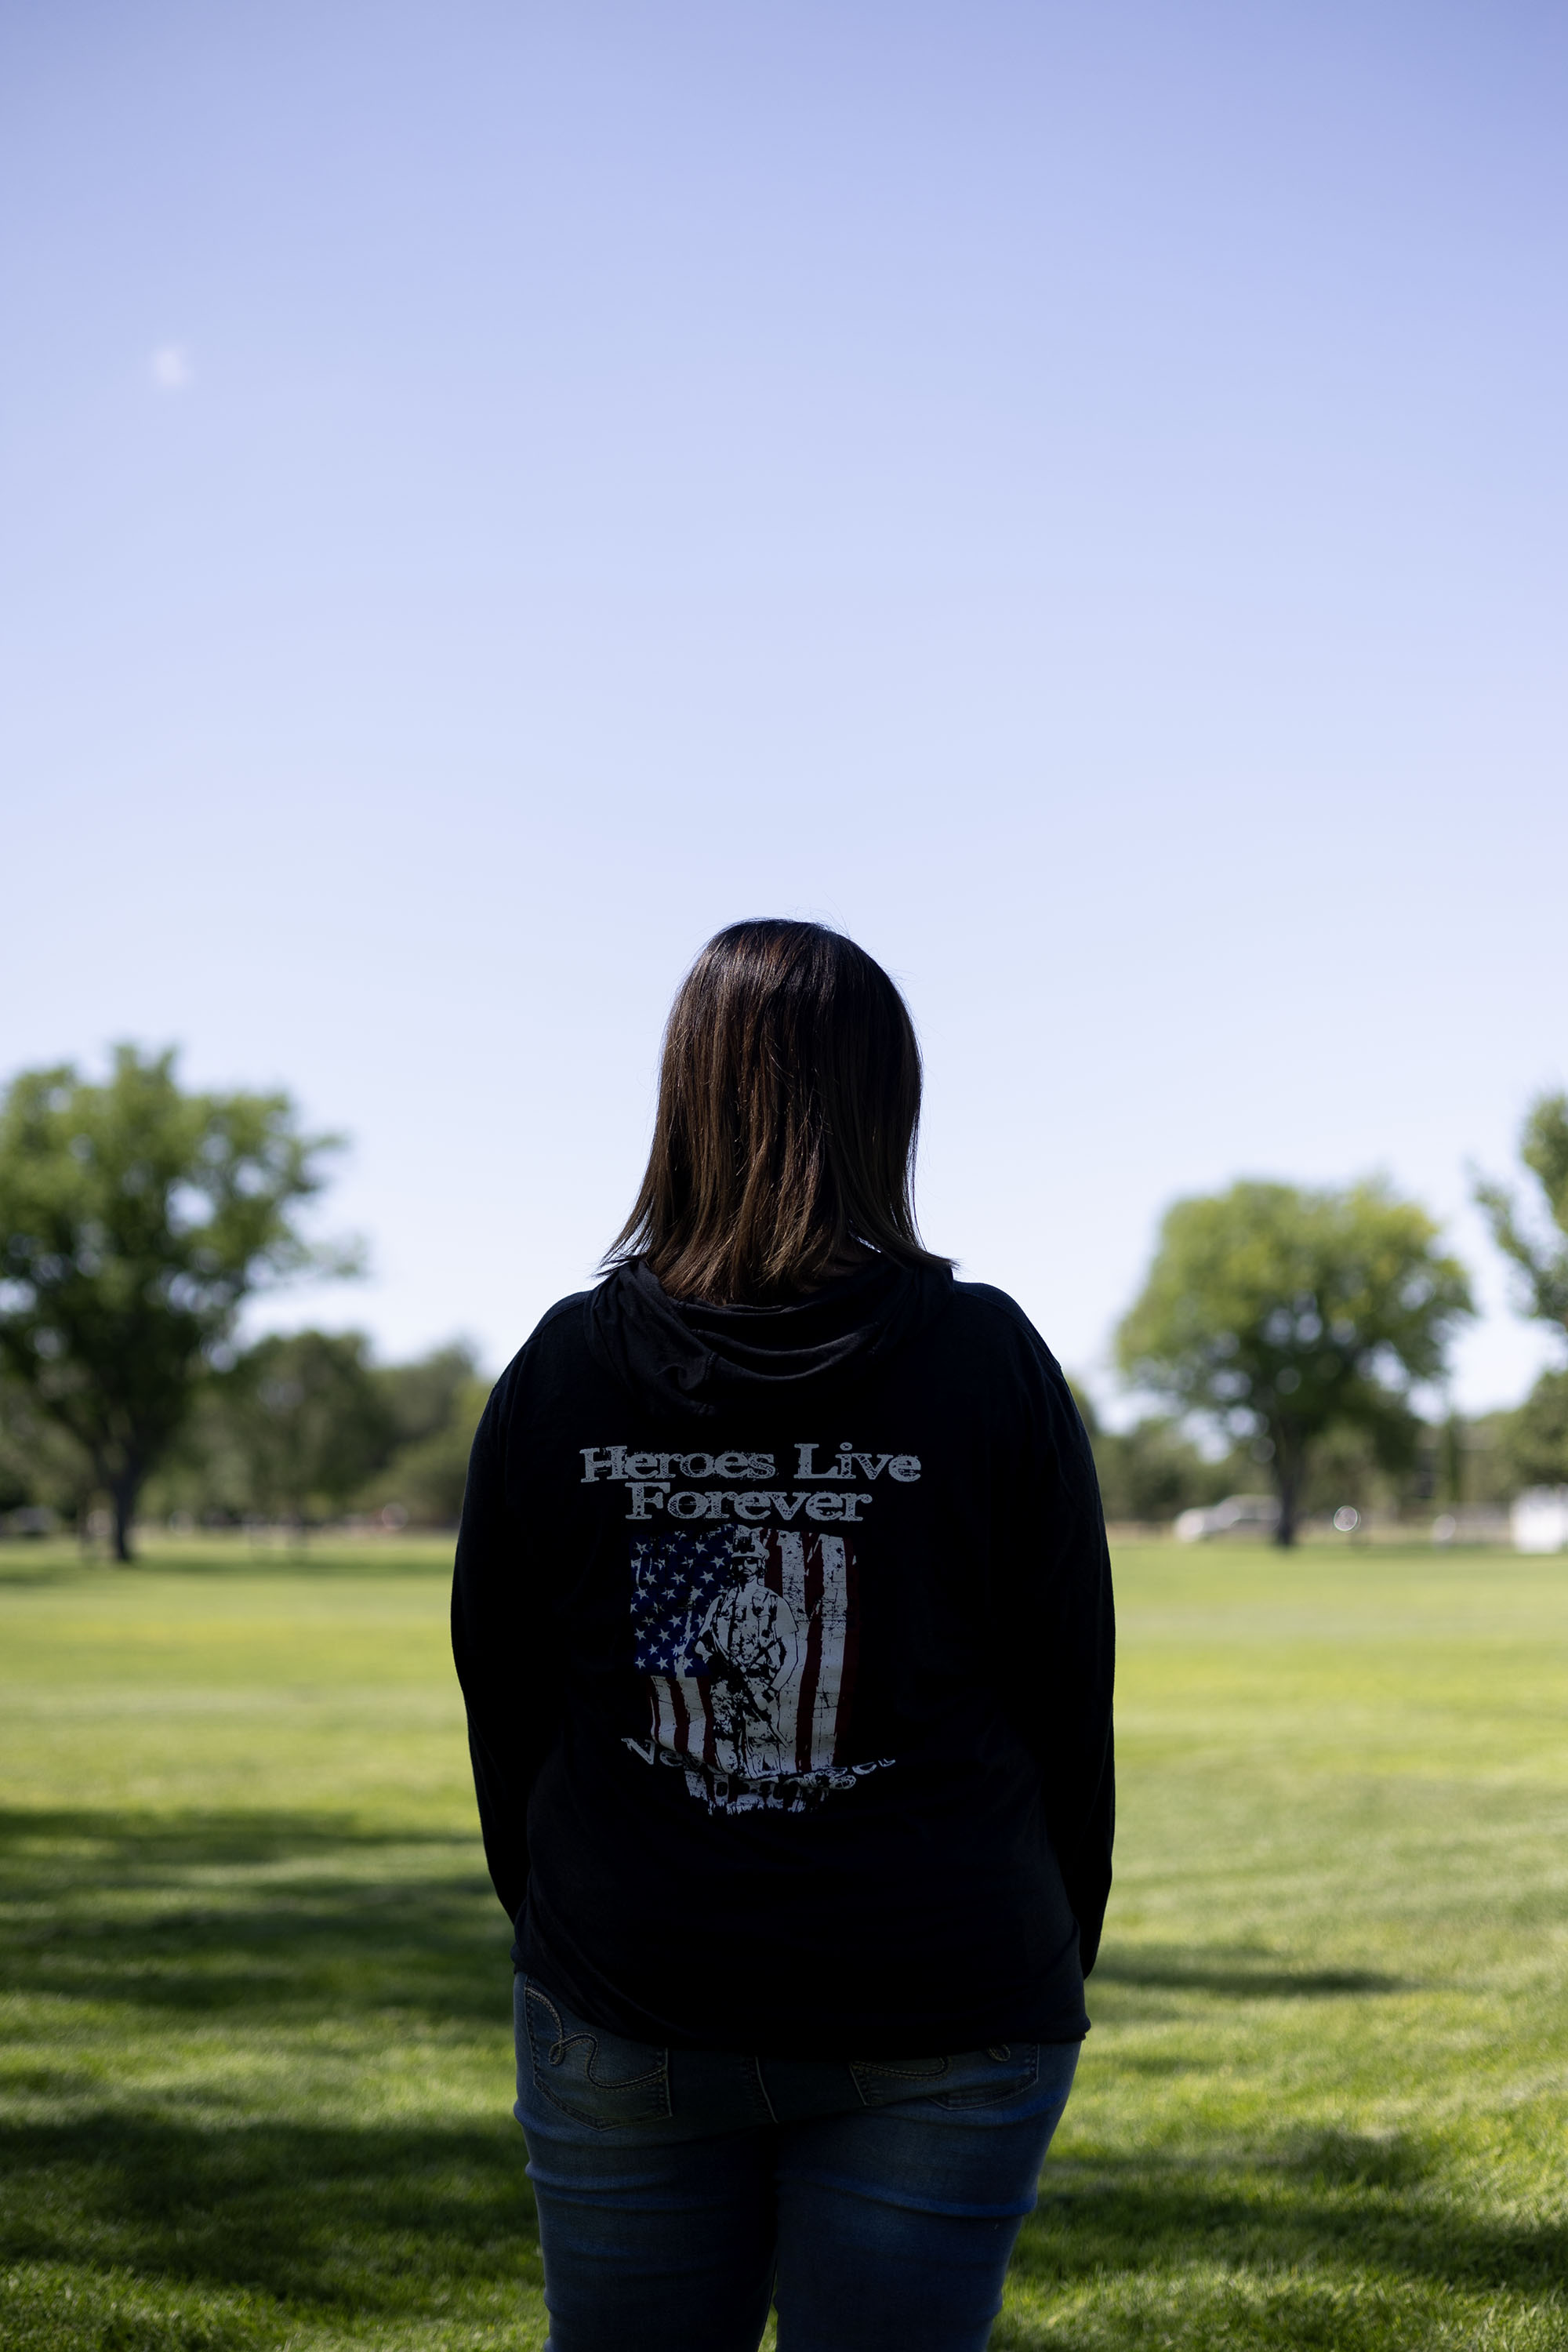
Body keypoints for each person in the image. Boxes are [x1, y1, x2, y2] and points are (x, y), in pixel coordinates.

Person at [452, 919, 1114, 2352]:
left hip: (631, 1993)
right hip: (947, 1992)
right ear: (888, 1106)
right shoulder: (987, 1359)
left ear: (684, 1094)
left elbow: (502, 1708)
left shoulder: (563, 1368)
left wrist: (576, 1919)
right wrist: (1047, 1948)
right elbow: (1072, 1701)